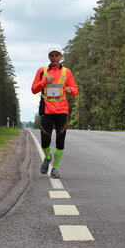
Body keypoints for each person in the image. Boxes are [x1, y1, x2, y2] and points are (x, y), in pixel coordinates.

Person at [31, 46, 78, 179]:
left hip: (62, 109)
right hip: (46, 109)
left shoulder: (67, 72)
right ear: (48, 57)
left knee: (60, 140)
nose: (54, 58)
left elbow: (75, 89)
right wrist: (44, 81)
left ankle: (55, 168)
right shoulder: (42, 71)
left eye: (57, 55)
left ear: (61, 57)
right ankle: (47, 157)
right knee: (45, 140)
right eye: (52, 55)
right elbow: (34, 89)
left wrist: (71, 90)